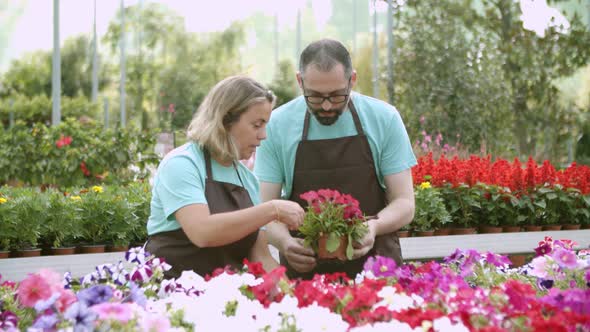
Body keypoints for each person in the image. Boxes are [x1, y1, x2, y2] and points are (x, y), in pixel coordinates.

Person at [254, 39, 417, 279]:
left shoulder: (384, 118)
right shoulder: (278, 125)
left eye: (337, 95)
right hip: (306, 271)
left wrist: (374, 227)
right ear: (300, 81)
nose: (327, 106)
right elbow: (264, 209)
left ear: (353, 80)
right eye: (316, 97)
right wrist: (285, 242)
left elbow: (404, 202)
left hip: (376, 270)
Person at [145, 76, 305, 278]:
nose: (264, 135)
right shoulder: (182, 164)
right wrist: (272, 209)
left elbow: (261, 257)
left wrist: (296, 298)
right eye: (257, 125)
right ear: (225, 121)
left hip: (223, 299)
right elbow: (202, 232)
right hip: (173, 296)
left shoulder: (246, 179)